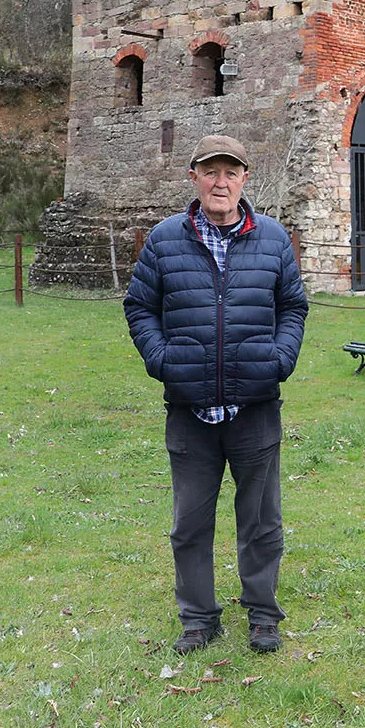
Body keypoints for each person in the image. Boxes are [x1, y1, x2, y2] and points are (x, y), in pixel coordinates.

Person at [124, 133, 308, 656]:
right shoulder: (165, 239)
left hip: (254, 406)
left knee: (261, 521)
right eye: (211, 172)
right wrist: (162, 361)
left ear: (245, 178)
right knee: (190, 524)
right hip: (190, 409)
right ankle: (199, 619)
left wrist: (278, 360)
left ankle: (263, 615)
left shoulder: (273, 238)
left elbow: (293, 306)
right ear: (194, 178)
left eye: (231, 172)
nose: (220, 182)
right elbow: (139, 307)